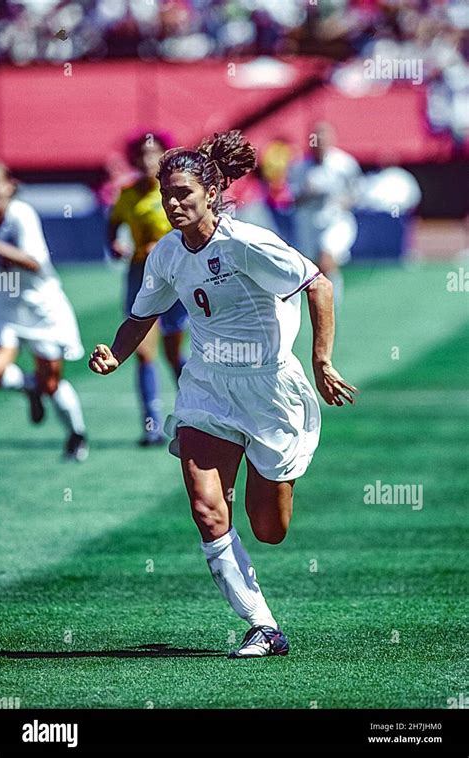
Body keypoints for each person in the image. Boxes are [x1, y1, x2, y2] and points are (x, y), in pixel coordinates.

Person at [89, 130, 357, 658]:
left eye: (184, 193)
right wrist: (117, 355)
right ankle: (262, 626)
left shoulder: (247, 243)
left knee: (270, 529)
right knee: (208, 510)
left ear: (211, 193)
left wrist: (321, 361)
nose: (173, 203)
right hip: (207, 386)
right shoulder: (165, 254)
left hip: (270, 389)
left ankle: (270, 480)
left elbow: (318, 284)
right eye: (167, 194)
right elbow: (141, 314)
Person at [0, 162, 88, 461]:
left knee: (50, 383)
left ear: (11, 186)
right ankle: (28, 386)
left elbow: (34, 262)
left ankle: (76, 435)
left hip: (41, 307)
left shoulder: (20, 214)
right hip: (4, 306)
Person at [108, 129, 188, 446]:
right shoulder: (127, 194)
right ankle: (151, 425)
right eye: (141, 154)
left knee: (172, 353)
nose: (146, 160)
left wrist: (166, 245)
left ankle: (195, 413)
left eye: (152, 154)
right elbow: (113, 222)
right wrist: (113, 242)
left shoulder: (172, 192)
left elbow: (190, 230)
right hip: (140, 275)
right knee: (143, 353)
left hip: (174, 277)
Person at [288, 121, 362, 310]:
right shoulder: (299, 168)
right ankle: (316, 303)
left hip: (335, 222)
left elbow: (356, 193)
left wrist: (341, 201)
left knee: (326, 259)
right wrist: (308, 193)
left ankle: (333, 304)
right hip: (309, 224)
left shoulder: (344, 165)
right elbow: (292, 199)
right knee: (310, 269)